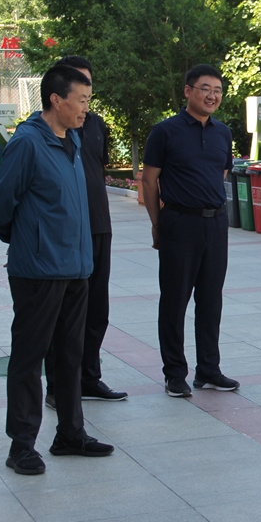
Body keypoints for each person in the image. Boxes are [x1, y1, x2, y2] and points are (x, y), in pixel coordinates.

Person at [0, 65, 114, 476]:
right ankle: (21, 445)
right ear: (56, 100)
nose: (86, 109)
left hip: (76, 267)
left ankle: (70, 434)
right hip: (38, 272)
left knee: (70, 355)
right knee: (29, 358)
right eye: (81, 100)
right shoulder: (27, 143)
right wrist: (30, 241)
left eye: (89, 101)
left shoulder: (72, 137)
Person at [141, 64, 240, 398]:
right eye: (205, 89)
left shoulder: (223, 133)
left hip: (216, 224)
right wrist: (157, 223)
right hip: (179, 223)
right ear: (188, 91)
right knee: (175, 301)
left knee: (211, 301)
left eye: (218, 91)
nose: (212, 96)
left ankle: (208, 370)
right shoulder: (165, 132)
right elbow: (149, 181)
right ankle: (174, 374)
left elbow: (221, 173)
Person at [42, 56, 126, 409]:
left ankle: (89, 378)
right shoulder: (41, 131)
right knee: (63, 313)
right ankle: (58, 386)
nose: (84, 97)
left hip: (98, 226)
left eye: (88, 88)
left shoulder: (95, 125)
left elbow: (96, 169)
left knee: (96, 308)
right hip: (64, 232)